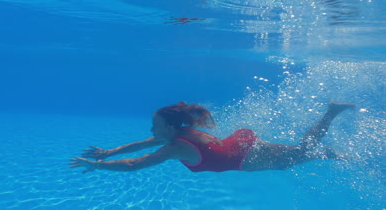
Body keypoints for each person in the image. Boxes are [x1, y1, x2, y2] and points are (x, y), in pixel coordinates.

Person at [70, 101, 354, 173]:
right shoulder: (178, 133)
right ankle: (329, 142)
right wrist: (108, 152)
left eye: (154, 126)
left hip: (247, 156)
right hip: (243, 144)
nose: (151, 132)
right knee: (301, 152)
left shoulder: (175, 147)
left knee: (301, 153)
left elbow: (136, 164)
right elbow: (139, 145)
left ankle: (331, 114)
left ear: (169, 128)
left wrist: (95, 167)